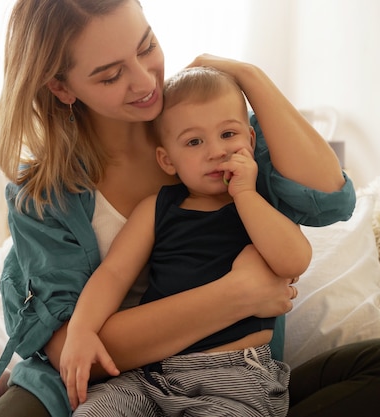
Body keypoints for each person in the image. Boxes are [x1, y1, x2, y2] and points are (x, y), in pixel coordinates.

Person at [0, 0, 380, 416]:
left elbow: (332, 199)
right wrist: (238, 294)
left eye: (146, 46)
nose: (144, 81)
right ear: (62, 88)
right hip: (108, 387)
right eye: (111, 74)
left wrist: (248, 76)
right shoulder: (44, 195)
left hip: (231, 380)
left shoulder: (213, 135)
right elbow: (79, 350)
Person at [59, 67, 312, 417]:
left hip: (235, 377)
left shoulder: (259, 207)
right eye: (195, 142)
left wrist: (246, 195)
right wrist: (81, 330)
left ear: (250, 141)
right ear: (167, 160)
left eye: (228, 134)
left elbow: (294, 261)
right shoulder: (157, 208)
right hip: (150, 375)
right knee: (95, 411)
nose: (216, 152)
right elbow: (114, 273)